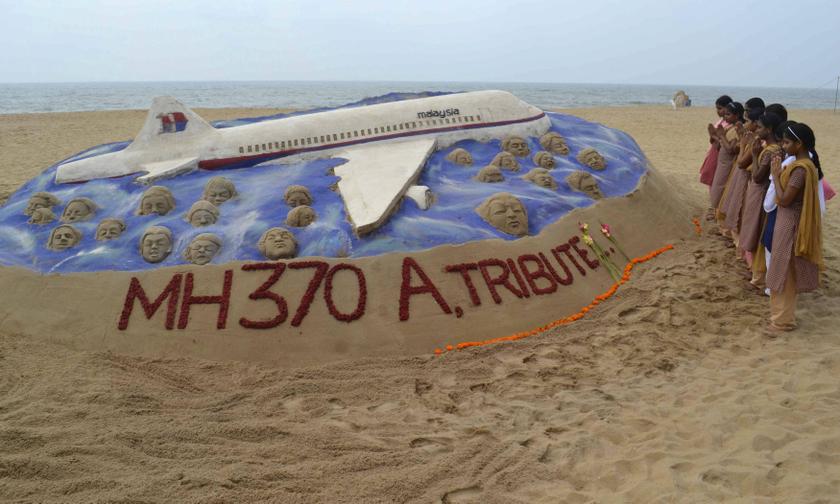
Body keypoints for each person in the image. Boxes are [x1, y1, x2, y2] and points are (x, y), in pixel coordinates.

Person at [765, 123, 822, 331]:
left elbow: (784, 200)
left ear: (799, 144)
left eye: (787, 142)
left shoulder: (800, 169)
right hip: (786, 221)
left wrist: (775, 175)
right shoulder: (803, 164)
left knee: (785, 272)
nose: (783, 145)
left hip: (790, 223)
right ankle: (780, 317)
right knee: (782, 268)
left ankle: (783, 321)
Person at [739, 113, 783, 287]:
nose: (757, 130)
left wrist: (755, 154)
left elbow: (757, 177)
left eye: (760, 127)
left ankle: (758, 274)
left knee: (756, 229)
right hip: (758, 192)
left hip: (761, 193)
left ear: (769, 129)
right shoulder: (769, 147)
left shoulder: (771, 151)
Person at [718, 107, 762, 244]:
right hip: (742, 175)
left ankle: (739, 243)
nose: (745, 123)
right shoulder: (750, 136)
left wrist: (742, 144)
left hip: (747, 178)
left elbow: (742, 161)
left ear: (755, 123)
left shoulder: (755, 141)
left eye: (747, 120)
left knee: (741, 209)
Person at [709, 101, 744, 211]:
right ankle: (715, 209)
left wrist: (721, 136)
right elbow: (722, 144)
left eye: (728, 114)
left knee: (720, 187)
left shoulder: (737, 129)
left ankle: (716, 210)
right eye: (725, 114)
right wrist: (714, 136)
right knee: (716, 186)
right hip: (722, 162)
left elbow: (730, 149)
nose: (725, 117)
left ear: (737, 115)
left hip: (727, 164)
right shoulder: (731, 127)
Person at [699, 95, 733, 197]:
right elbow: (713, 139)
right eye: (717, 108)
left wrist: (714, 135)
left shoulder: (731, 124)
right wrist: (712, 135)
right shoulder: (720, 121)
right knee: (711, 178)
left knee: (718, 181)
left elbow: (724, 142)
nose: (718, 111)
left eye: (720, 108)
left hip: (721, 155)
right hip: (713, 152)